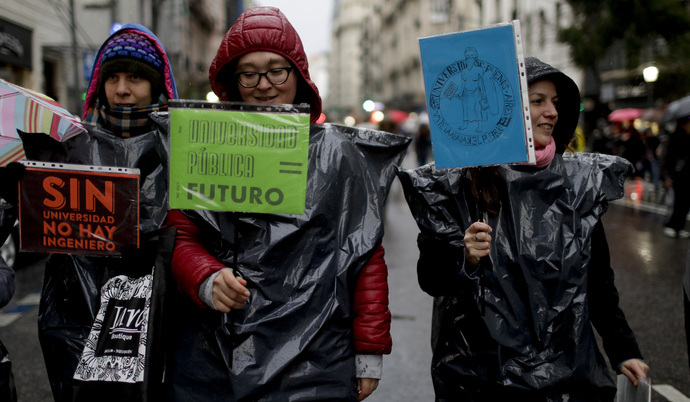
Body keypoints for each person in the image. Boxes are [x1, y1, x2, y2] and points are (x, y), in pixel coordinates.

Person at [164, 7, 403, 401]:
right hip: (217, 356)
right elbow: (181, 235)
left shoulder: (337, 153)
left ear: (298, 74)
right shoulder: (204, 144)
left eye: (277, 69)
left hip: (315, 356)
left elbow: (366, 254)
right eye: (249, 72)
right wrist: (205, 278)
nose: (264, 84)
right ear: (234, 81)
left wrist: (369, 349)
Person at [397, 57, 648, 401]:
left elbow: (598, 280)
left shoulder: (577, 185)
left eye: (556, 103)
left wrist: (623, 349)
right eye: (538, 101)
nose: (552, 112)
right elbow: (432, 280)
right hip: (483, 374)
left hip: (568, 371)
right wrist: (465, 258)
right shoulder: (460, 186)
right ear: (505, 109)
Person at [24, 24, 178, 401]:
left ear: (157, 86)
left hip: (159, 311)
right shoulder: (71, 146)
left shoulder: (182, 149)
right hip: (78, 314)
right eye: (113, 78)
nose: (122, 89)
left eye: (136, 78)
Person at [662, 117, 690, 238]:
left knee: (685, 202)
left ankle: (679, 226)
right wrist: (668, 176)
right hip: (677, 176)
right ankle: (671, 225)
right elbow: (669, 158)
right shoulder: (676, 138)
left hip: (686, 175)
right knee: (677, 201)